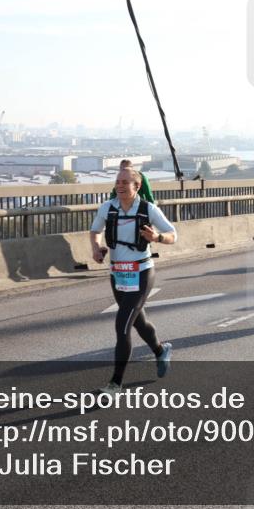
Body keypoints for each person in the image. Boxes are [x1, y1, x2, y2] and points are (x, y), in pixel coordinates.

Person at [90, 168, 175, 392]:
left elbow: (172, 234)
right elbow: (95, 230)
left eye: (125, 182)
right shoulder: (108, 207)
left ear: (136, 186)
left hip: (141, 272)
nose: (119, 185)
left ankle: (115, 384)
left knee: (123, 325)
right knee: (139, 322)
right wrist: (96, 248)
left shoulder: (149, 209)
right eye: (117, 181)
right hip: (118, 274)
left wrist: (156, 237)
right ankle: (160, 350)